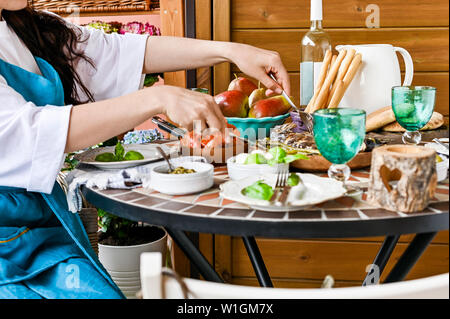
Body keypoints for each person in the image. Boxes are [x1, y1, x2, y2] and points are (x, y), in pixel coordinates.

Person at [0, 0, 290, 299]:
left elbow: (117, 52)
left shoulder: (25, 27)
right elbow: (28, 134)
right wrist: (155, 99)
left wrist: (229, 50)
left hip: (43, 225)